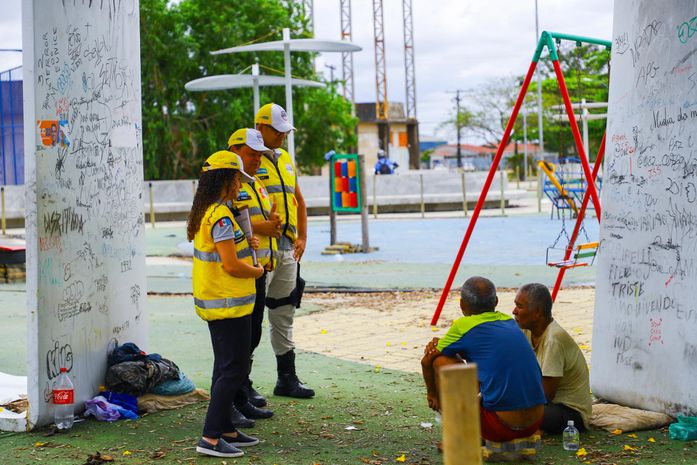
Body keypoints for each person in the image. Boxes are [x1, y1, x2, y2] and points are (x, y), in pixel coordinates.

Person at [187, 150, 265, 458]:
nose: (239, 185)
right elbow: (231, 265)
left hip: (225, 303)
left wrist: (247, 242)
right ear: (226, 179)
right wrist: (257, 271)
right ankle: (210, 438)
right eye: (237, 179)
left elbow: (229, 250)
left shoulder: (213, 211)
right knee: (233, 370)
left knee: (226, 367)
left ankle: (225, 430)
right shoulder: (219, 215)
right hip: (227, 304)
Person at [421, 276, 546, 442]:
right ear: (496, 301)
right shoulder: (509, 321)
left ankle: (457, 437)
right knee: (481, 365)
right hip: (535, 423)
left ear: (462, 304)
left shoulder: (464, 326)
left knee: (441, 359)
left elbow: (427, 360)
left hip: (501, 427)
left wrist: (432, 394)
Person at [255, 103, 314, 398]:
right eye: (277, 132)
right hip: (260, 252)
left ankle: (286, 378)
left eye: (284, 132)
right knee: (250, 317)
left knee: (284, 311)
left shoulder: (286, 159)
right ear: (260, 128)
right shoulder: (248, 159)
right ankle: (243, 385)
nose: (281, 137)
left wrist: (302, 237)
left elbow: (298, 200)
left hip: (287, 248)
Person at [226, 128, 281, 425]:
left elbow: (250, 219)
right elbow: (223, 223)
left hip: (256, 268)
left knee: (252, 334)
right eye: (252, 154)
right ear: (235, 151)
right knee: (233, 346)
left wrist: (271, 222)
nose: (257, 159)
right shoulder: (224, 183)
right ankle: (231, 402)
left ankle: (241, 393)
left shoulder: (253, 182)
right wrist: (263, 229)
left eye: (260, 155)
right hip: (235, 274)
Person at [512, 283, 592, 434]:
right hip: (548, 405)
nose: (514, 311)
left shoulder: (553, 340)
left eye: (519, 306)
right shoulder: (526, 331)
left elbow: (545, 395)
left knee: (513, 411)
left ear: (537, 312)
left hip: (571, 414)